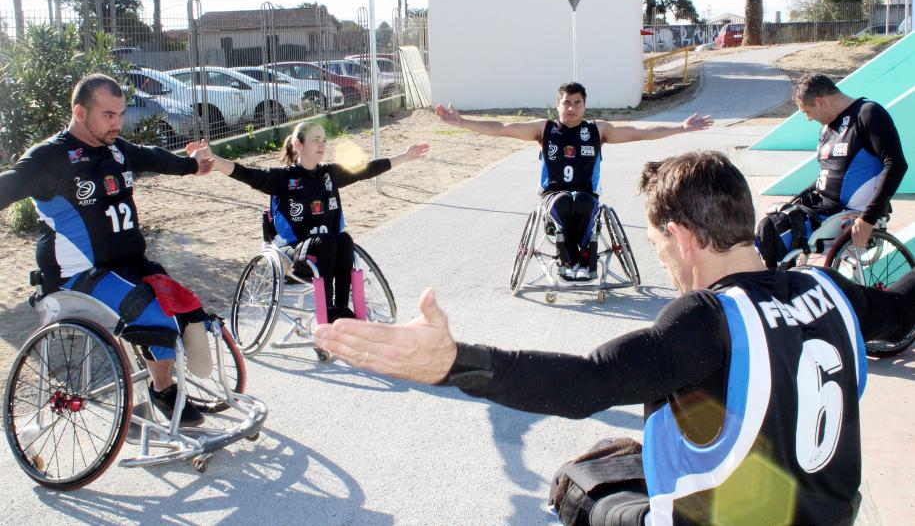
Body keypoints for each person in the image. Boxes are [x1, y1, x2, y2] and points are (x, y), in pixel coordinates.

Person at [314, 151, 915, 525]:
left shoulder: (706, 320)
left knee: (580, 489)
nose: (661, 263)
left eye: (656, 245)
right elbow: (904, 310)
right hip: (835, 513)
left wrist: (451, 363)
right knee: (626, 455)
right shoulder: (831, 289)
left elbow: (586, 383)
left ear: (681, 237)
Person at [0, 73, 219, 427]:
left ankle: (166, 381)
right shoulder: (49, 157)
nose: (117, 123)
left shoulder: (116, 149)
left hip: (128, 266)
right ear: (80, 112)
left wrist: (192, 165)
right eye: (108, 115)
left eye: (120, 114)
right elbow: (7, 185)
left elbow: (153, 157)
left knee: (185, 306)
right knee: (154, 314)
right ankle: (163, 391)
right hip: (78, 279)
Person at [435, 82, 712, 280]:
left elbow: (639, 132)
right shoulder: (544, 130)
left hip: (587, 195)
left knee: (582, 202)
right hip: (554, 195)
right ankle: (568, 260)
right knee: (566, 202)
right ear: (558, 105)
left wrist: (681, 127)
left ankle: (585, 261)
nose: (571, 108)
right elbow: (501, 129)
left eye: (577, 103)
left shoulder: (596, 130)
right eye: (566, 102)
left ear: (584, 106)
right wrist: (462, 122)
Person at [208, 121, 429, 321]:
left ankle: (342, 309)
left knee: (343, 239)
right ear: (298, 144)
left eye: (324, 139)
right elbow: (247, 174)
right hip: (293, 252)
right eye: (315, 139)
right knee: (327, 241)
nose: (322, 144)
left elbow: (367, 169)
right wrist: (215, 161)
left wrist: (404, 156)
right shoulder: (282, 178)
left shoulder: (330, 174)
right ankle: (329, 310)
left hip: (328, 249)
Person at [756, 73, 908, 268]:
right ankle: (782, 284)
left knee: (776, 231)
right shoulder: (826, 129)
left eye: (806, 111)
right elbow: (825, 177)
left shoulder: (868, 114)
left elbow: (896, 164)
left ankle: (782, 286)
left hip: (846, 213)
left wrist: (869, 218)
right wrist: (794, 201)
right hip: (821, 208)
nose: (808, 118)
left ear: (820, 102)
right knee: (768, 226)